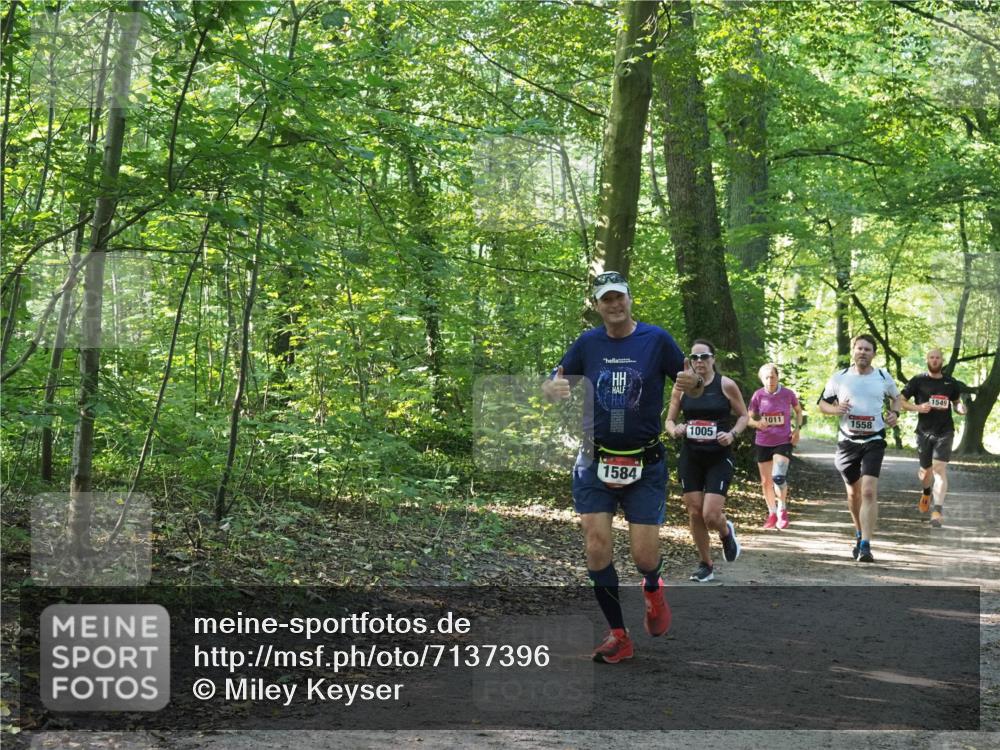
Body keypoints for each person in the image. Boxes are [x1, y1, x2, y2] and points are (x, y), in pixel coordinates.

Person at [543, 271, 702, 663]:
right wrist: (551, 389)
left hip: (644, 464)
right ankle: (618, 634)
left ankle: (652, 587)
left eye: (619, 298)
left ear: (630, 300)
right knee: (597, 548)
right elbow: (555, 380)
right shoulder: (588, 343)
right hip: (594, 460)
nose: (613, 305)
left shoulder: (655, 340)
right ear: (597, 306)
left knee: (644, 556)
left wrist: (693, 382)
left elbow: (692, 383)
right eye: (605, 299)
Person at [664, 339, 749, 583]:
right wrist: (675, 429)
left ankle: (725, 532)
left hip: (718, 457)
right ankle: (706, 564)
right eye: (695, 357)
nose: (699, 361)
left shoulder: (726, 384)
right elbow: (669, 421)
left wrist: (731, 434)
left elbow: (743, 415)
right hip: (691, 456)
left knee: (710, 514)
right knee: (694, 511)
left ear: (713, 359)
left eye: (704, 357)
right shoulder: (681, 387)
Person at [818, 334, 902, 563]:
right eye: (859, 348)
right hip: (847, 442)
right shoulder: (840, 378)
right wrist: (835, 410)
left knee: (867, 491)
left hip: (873, 440)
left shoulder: (883, 377)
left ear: (874, 353)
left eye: (867, 349)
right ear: (853, 351)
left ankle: (865, 544)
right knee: (853, 494)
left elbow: (897, 398)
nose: (863, 352)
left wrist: (895, 413)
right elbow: (822, 404)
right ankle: (858, 532)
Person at [900, 348, 968, 528]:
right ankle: (926, 491)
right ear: (927, 359)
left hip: (945, 431)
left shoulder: (950, 382)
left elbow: (956, 402)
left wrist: (960, 409)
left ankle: (937, 511)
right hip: (923, 432)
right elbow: (901, 401)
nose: (935, 360)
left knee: (939, 469)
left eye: (938, 357)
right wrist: (918, 408)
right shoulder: (918, 380)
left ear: (942, 360)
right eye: (932, 357)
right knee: (925, 473)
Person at [748, 363, 803, 529]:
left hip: (783, 440)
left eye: (772, 376)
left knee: (778, 477)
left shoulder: (788, 394)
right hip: (763, 441)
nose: (770, 380)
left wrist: (797, 430)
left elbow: (798, 411)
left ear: (778, 377)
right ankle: (771, 513)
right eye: (766, 377)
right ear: (761, 379)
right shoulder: (758, 396)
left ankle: (782, 510)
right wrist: (757, 424)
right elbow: (748, 418)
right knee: (766, 482)